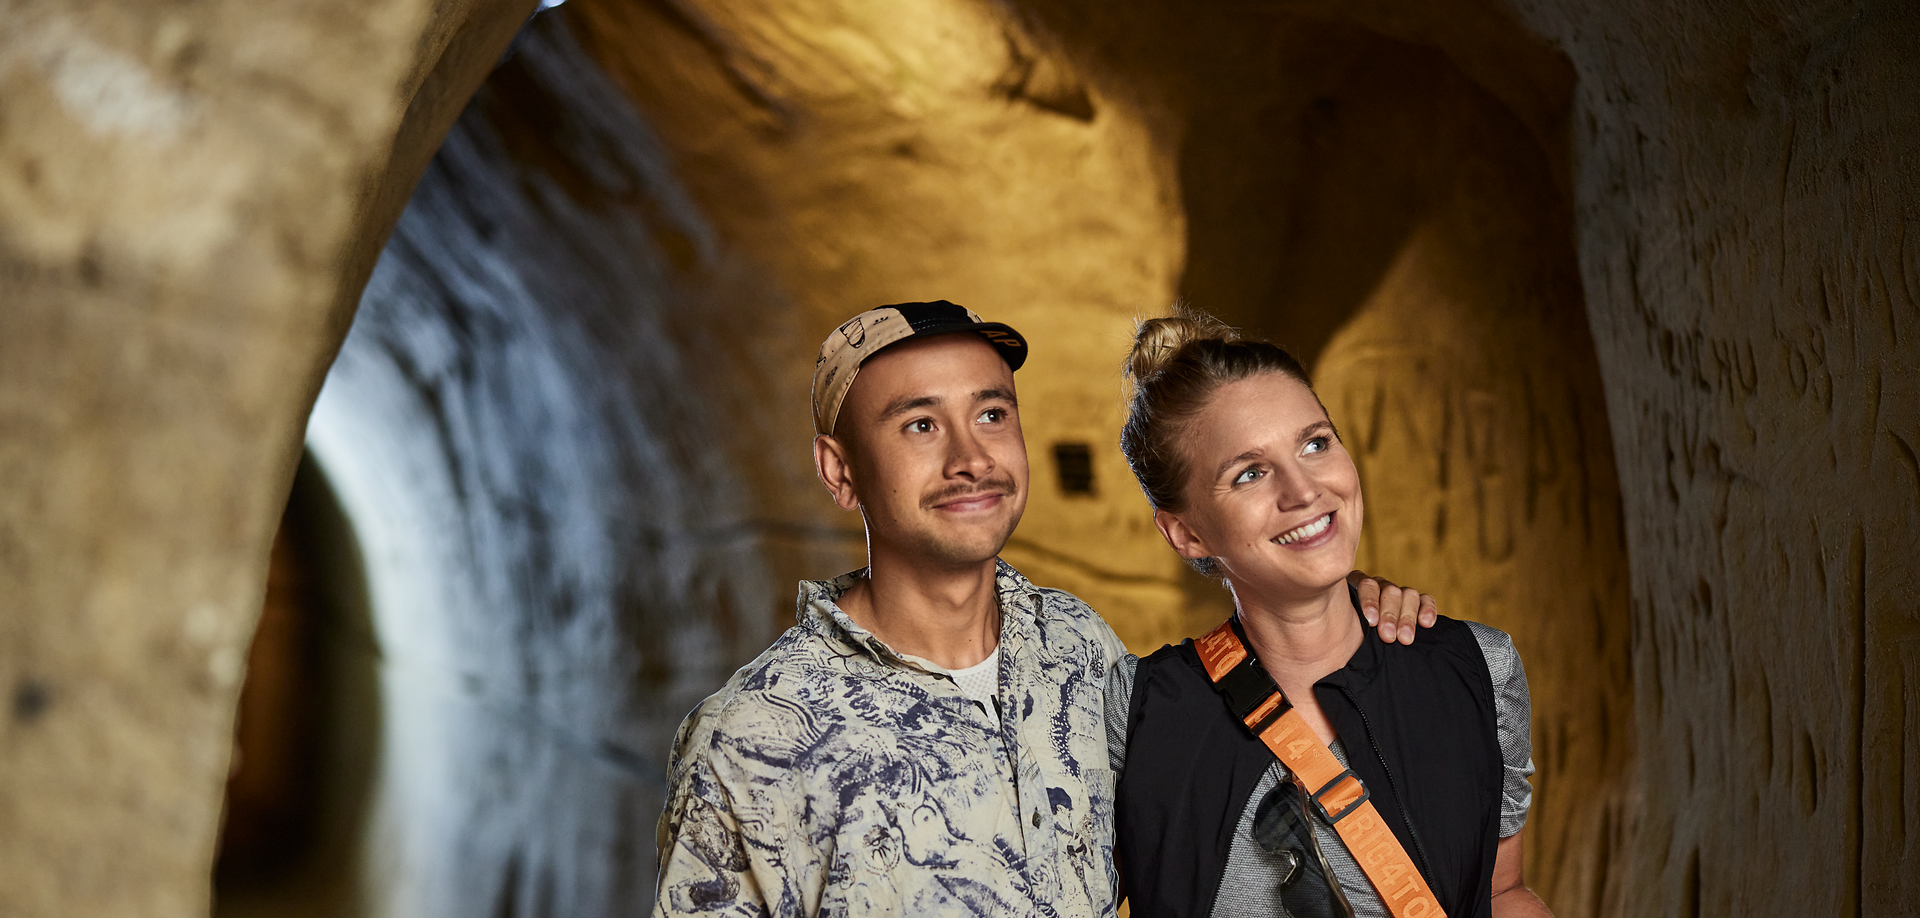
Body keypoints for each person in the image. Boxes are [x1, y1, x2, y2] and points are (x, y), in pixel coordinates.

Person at [651, 301, 1436, 917]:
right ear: (839, 470)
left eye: (992, 414)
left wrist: (1338, 605)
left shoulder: (1078, 648)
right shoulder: (750, 737)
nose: (970, 458)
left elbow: (1210, 813)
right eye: (920, 425)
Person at [1108, 311, 1549, 918]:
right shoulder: (1134, 716)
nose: (1304, 490)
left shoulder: (1479, 669)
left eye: (1315, 444)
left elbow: (1501, 893)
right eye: (1250, 473)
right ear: (1185, 533)